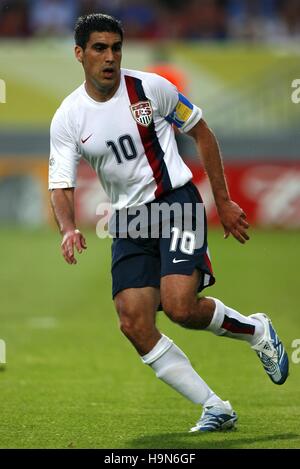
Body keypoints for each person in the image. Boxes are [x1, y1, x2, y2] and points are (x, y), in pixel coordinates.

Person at [49, 13, 289, 433]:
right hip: (127, 221)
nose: (110, 57)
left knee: (180, 307)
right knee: (133, 322)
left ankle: (256, 330)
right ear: (79, 54)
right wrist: (68, 228)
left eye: (116, 47)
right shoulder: (69, 117)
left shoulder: (150, 88)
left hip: (174, 203)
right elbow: (61, 183)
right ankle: (215, 407)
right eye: (100, 48)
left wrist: (225, 201)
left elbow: (203, 133)